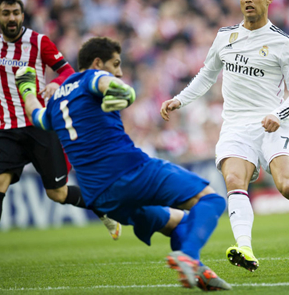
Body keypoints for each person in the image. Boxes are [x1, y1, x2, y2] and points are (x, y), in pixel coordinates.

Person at [160, 0, 289, 272]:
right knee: (235, 181)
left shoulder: (282, 42)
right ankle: (245, 248)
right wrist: (180, 99)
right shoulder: (225, 36)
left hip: (273, 123)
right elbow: (206, 74)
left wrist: (279, 115)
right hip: (236, 125)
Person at [14, 36, 231, 291]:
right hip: (131, 172)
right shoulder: (92, 78)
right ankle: (190, 258)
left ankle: (200, 272)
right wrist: (123, 91)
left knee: (179, 223)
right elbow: (109, 84)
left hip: (101, 198)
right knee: (212, 200)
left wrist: (27, 87)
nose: (119, 71)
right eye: (115, 64)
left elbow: (36, 116)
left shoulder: (55, 101)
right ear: (97, 63)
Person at [0, 0, 120, 269]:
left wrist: (56, 83)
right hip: (8, 130)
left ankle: (101, 208)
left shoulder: (38, 42)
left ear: (23, 15)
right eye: (6, 13)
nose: (12, 18)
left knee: (56, 193)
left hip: (41, 125)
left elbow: (68, 70)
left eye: (16, 13)